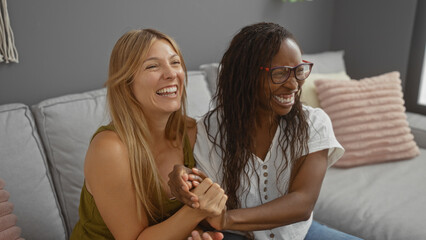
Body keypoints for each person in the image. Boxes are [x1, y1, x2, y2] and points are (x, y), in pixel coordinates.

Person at [168, 22, 363, 240]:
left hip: (298, 234)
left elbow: (303, 203)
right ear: (245, 75)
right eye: (280, 74)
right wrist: (183, 177)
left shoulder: (314, 123)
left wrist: (226, 219)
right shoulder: (206, 132)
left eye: (299, 71)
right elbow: (201, 205)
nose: (294, 85)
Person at [70, 29, 228, 240]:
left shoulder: (191, 133)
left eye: (175, 62)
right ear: (127, 84)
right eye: (153, 66)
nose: (171, 74)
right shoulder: (109, 148)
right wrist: (197, 210)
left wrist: (197, 233)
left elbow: (196, 219)